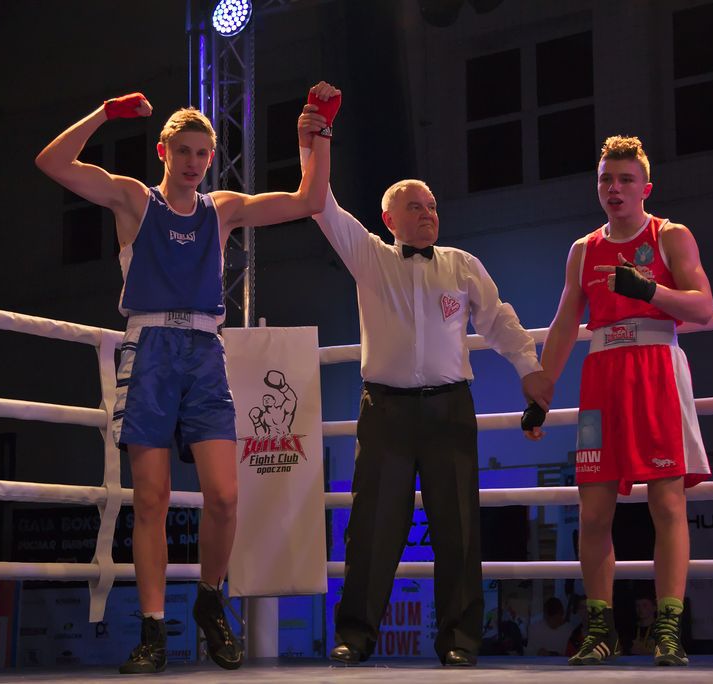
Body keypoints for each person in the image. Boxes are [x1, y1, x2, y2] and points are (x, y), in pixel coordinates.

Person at [35, 82, 338, 674]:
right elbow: (52, 163)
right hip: (149, 348)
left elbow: (310, 200)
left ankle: (208, 600)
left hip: (203, 350)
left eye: (203, 153)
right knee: (151, 499)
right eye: (184, 152)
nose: (195, 163)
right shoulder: (134, 200)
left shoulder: (220, 210)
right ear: (164, 152)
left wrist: (319, 132)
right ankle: (152, 632)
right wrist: (103, 114)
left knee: (224, 496)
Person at [299, 135, 552, 668]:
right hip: (386, 410)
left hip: (449, 408)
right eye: (414, 206)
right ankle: (355, 636)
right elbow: (321, 204)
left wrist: (530, 368)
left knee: (458, 527)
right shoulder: (370, 256)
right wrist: (315, 140)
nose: (427, 214)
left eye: (432, 206)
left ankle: (460, 640)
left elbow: (498, 319)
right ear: (389, 219)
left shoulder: (461, 264)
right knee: (372, 527)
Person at [527, 135, 713, 667]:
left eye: (625, 179)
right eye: (606, 179)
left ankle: (669, 629)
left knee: (667, 504)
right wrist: (542, 390)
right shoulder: (583, 250)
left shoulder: (670, 235)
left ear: (645, 188)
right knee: (592, 512)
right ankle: (601, 629)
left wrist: (649, 291)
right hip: (601, 379)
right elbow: (566, 323)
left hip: (656, 372)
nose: (614, 188)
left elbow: (703, 307)